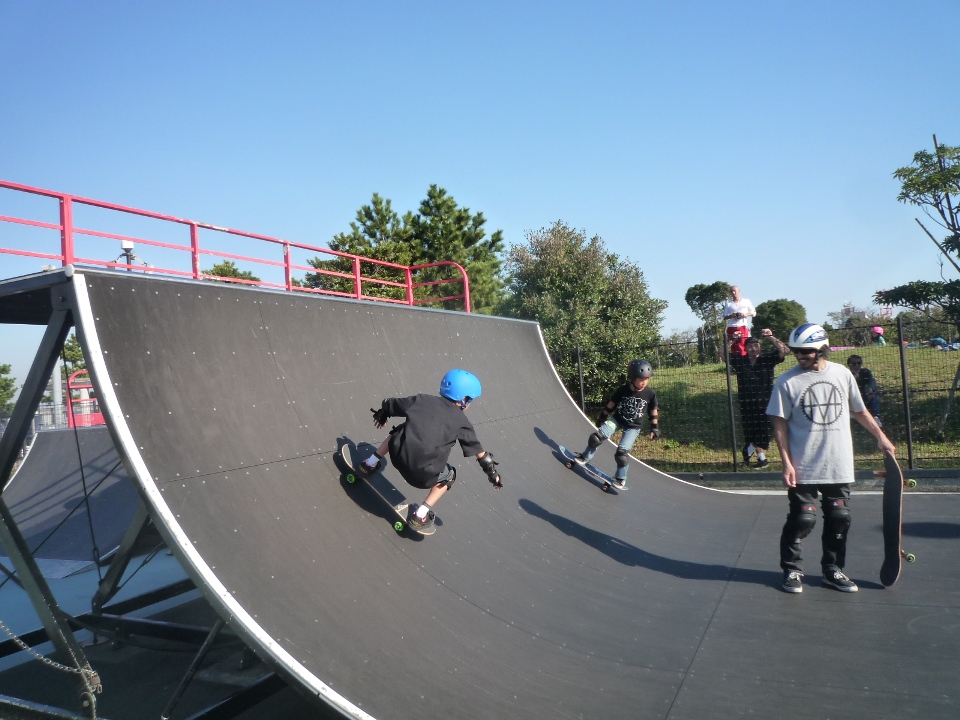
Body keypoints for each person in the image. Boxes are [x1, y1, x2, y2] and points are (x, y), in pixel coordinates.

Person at [767, 324, 896, 594]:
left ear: (821, 349)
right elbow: (779, 423)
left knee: (839, 517)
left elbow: (859, 411)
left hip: (838, 462)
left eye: (806, 351)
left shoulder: (842, 373)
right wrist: (786, 462)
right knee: (803, 519)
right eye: (796, 351)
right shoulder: (786, 381)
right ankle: (792, 569)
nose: (799, 355)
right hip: (803, 464)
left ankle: (833, 570)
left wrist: (880, 437)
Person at [360, 369, 502, 532]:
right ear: (463, 399)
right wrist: (493, 476)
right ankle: (420, 515)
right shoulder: (463, 422)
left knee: (401, 430)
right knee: (450, 475)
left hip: (397, 456)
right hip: (423, 477)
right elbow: (482, 456)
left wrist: (382, 414)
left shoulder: (421, 400)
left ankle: (369, 463)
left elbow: (389, 403)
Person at [573, 359, 660, 489]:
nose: (644, 382)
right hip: (617, 419)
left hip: (633, 427)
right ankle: (585, 457)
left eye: (646, 379)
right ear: (632, 378)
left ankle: (620, 478)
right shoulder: (623, 390)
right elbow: (612, 403)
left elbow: (653, 410)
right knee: (596, 437)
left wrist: (654, 427)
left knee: (622, 453)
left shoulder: (650, 393)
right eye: (641, 379)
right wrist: (603, 417)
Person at [723, 328, 789, 468]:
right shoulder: (740, 361)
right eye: (750, 346)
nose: (753, 348)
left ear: (760, 347)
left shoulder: (767, 359)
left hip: (767, 401)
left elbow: (785, 351)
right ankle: (761, 458)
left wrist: (771, 337)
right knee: (752, 431)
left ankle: (749, 449)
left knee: (768, 429)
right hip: (746, 402)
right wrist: (731, 340)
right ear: (745, 348)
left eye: (756, 345)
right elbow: (722, 354)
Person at [846, 355, 881, 426]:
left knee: (874, 395)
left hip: (866, 396)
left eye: (858, 363)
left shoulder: (865, 372)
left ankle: (875, 417)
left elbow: (871, 381)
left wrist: (870, 388)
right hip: (852, 397)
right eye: (853, 364)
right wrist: (854, 378)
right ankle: (851, 412)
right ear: (849, 365)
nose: (856, 365)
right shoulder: (847, 374)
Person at [722, 285, 756, 357]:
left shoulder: (746, 301)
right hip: (732, 327)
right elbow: (724, 316)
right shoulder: (729, 304)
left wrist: (744, 314)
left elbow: (753, 313)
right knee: (733, 346)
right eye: (731, 291)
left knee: (742, 345)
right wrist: (732, 315)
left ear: (739, 291)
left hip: (742, 326)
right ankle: (736, 363)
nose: (733, 293)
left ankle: (744, 360)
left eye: (734, 291)